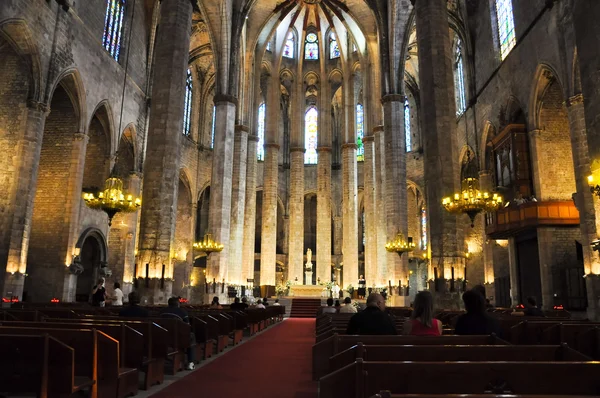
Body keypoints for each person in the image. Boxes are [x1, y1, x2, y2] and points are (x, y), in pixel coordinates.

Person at [162, 297, 195, 370]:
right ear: (178, 304)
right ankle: (190, 362)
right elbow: (187, 326)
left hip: (163, 337)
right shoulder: (182, 312)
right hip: (177, 338)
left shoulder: (162, 311)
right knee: (191, 337)